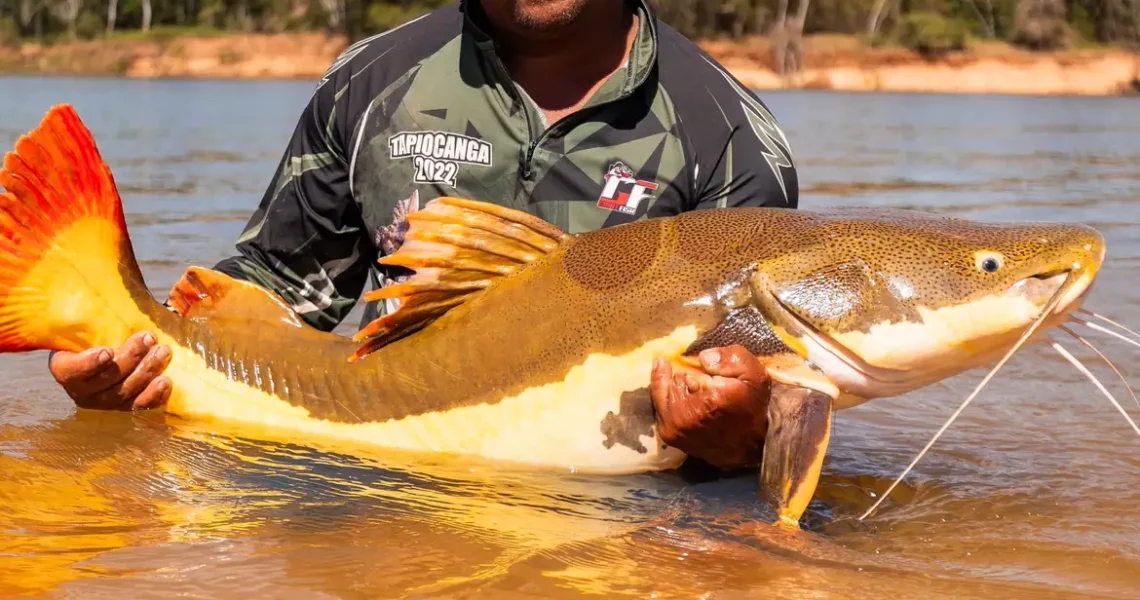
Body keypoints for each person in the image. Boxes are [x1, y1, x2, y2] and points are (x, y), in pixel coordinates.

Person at [47, 0, 799, 471]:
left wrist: (752, 436)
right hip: (377, 469)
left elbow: (777, 389)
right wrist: (131, 363)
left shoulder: (727, 132)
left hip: (618, 516)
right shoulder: (371, 80)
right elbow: (278, 288)